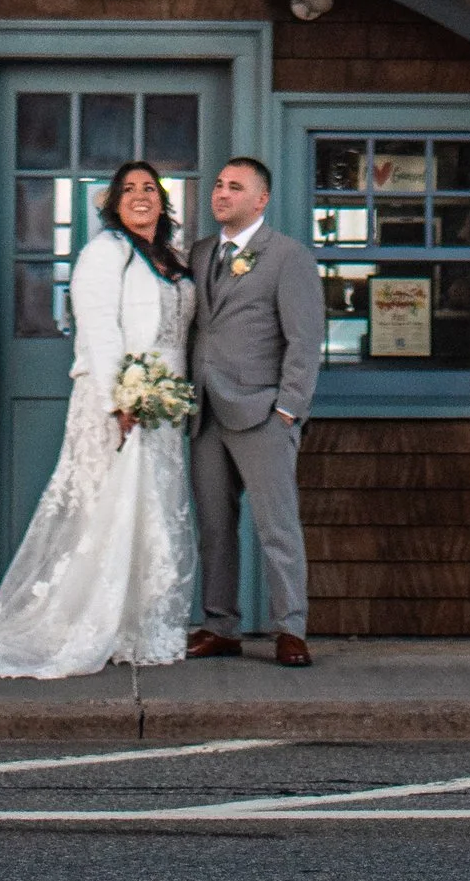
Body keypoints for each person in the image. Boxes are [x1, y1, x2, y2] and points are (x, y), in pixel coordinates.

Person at [0, 158, 198, 677]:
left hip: (165, 408)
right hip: (120, 402)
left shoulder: (171, 259)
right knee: (108, 509)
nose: (141, 196)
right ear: (114, 204)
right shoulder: (104, 253)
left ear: (163, 200)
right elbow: (98, 330)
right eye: (129, 189)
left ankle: (135, 625)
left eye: (150, 188)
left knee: (151, 511)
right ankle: (87, 622)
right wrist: (122, 399)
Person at [186, 153, 322, 667]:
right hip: (205, 412)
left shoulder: (287, 256)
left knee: (277, 526)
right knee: (215, 528)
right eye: (218, 185)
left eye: (235, 187)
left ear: (260, 199)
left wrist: (288, 409)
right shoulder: (200, 254)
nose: (222, 193)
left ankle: (291, 628)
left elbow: (305, 340)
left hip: (262, 411)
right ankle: (221, 625)